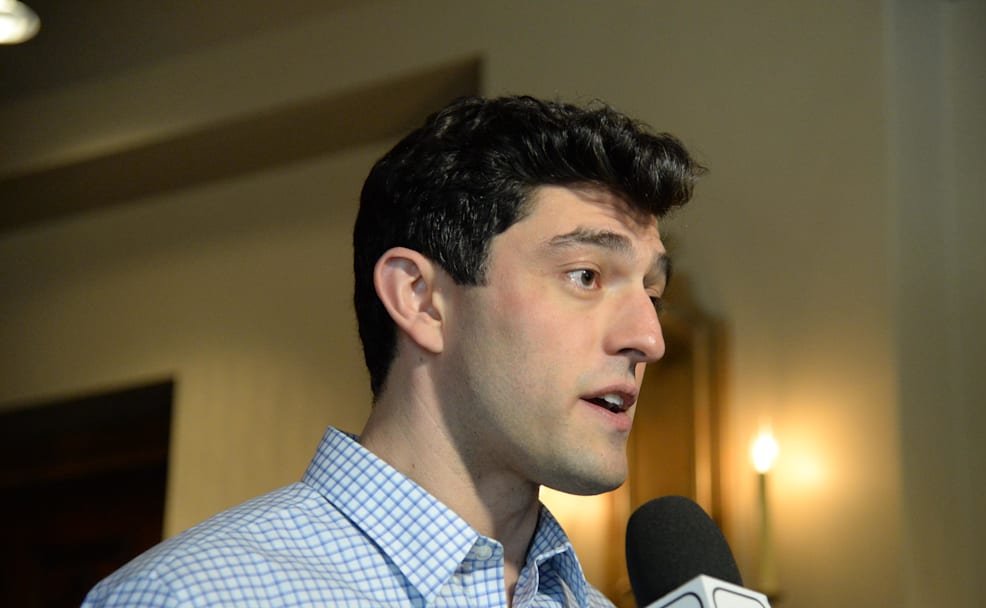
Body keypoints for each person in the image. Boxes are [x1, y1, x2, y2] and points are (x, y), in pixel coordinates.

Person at [83, 95, 703, 607]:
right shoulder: (188, 598)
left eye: (653, 292)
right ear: (421, 299)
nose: (649, 339)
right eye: (586, 276)